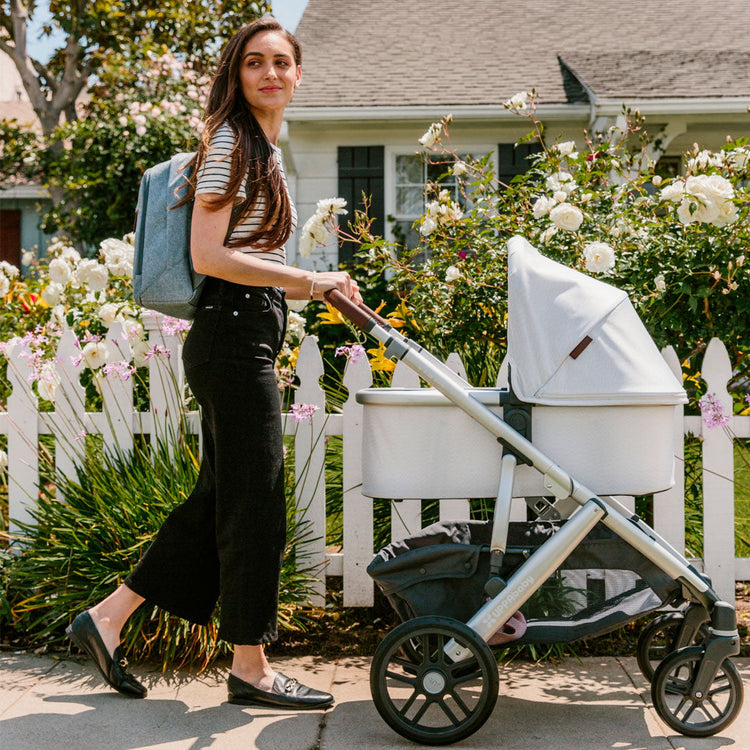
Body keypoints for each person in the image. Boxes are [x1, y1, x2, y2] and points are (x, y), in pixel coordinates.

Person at [66, 18, 361, 710]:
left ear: (297, 74)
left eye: (282, 63)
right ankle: (251, 668)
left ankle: (106, 620)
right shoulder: (233, 142)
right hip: (231, 331)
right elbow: (209, 256)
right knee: (255, 501)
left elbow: (250, 254)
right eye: (254, 62)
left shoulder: (263, 146)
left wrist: (307, 290)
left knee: (219, 500)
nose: (269, 74)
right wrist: (309, 282)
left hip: (243, 332)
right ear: (236, 74)